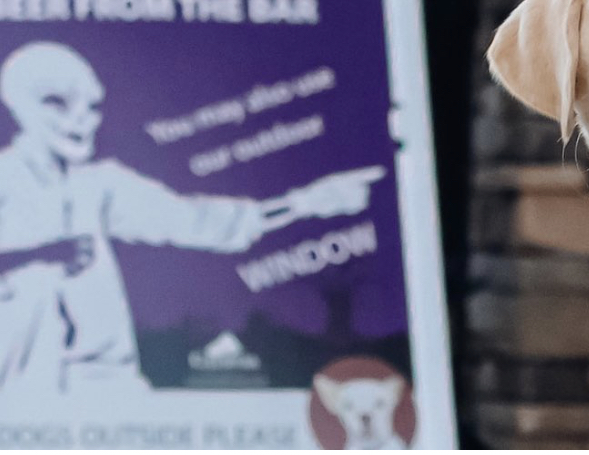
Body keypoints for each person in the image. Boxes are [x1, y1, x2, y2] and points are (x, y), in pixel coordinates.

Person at [0, 41, 382, 396]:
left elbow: (197, 221)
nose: (82, 120)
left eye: (92, 106)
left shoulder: (100, 184)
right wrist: (39, 255)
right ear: (18, 105)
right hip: (22, 394)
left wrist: (303, 203)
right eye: (57, 103)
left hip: (109, 389)